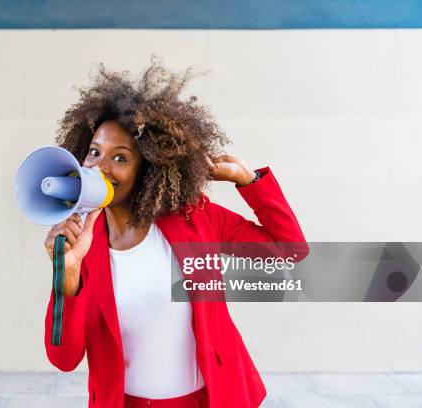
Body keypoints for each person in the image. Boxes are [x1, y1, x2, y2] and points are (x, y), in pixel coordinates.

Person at [42, 60, 308, 408]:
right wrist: (68, 275)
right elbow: (64, 359)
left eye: (120, 158)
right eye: (94, 152)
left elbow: (289, 251)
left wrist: (249, 181)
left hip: (208, 400)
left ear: (148, 168)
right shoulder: (81, 245)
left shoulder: (194, 218)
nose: (100, 166)